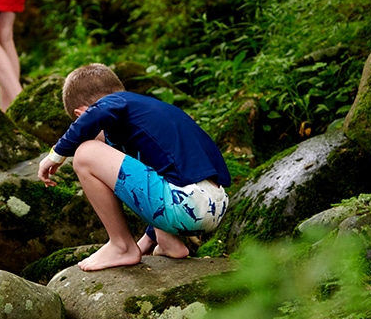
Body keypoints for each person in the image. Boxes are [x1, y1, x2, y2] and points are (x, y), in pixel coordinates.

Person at [37, 63, 231, 271]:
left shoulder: (112, 104)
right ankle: (169, 243)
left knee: (85, 153)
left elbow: (98, 113)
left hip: (187, 203)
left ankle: (120, 245)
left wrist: (57, 153)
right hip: (214, 204)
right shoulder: (145, 112)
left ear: (81, 115)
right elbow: (159, 178)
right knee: (150, 169)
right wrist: (146, 241)